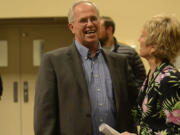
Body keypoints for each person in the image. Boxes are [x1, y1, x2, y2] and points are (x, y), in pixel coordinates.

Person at [34, 1, 138, 135]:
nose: (90, 24)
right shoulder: (53, 62)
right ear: (72, 27)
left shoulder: (119, 62)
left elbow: (133, 106)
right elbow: (44, 116)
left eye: (93, 18)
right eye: (83, 20)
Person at [121, 14, 180, 135]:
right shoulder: (153, 73)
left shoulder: (169, 78)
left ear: (154, 46)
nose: (139, 40)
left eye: (143, 35)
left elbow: (176, 130)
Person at [99, 16, 146, 89]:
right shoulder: (94, 53)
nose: (95, 32)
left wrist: (134, 95)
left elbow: (141, 78)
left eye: (98, 28)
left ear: (109, 29)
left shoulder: (129, 52)